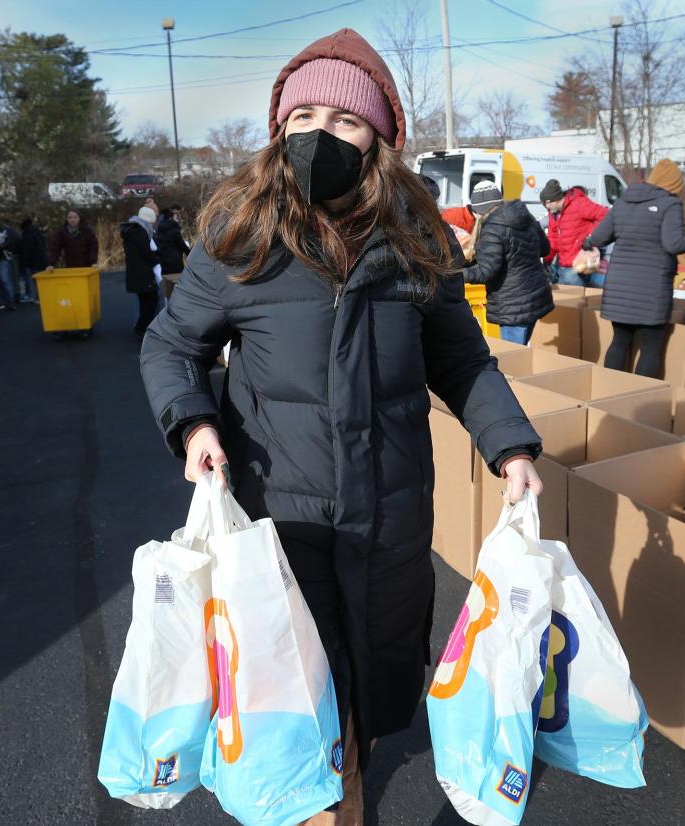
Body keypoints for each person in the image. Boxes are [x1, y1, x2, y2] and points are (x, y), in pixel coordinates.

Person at [139, 28, 543, 826]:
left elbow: (461, 361)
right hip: (278, 518)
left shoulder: (416, 238)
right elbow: (171, 344)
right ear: (279, 127)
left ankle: (346, 786)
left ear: (381, 139)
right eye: (306, 115)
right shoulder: (240, 235)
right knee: (293, 695)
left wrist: (511, 444)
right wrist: (193, 424)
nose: (321, 134)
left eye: (346, 120)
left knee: (364, 684)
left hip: (388, 519)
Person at [584, 159, 685, 378]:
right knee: (650, 350)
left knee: (619, 343)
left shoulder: (623, 202)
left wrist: (586, 243)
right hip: (651, 291)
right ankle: (641, 402)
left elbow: (598, 237)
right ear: (674, 184)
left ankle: (607, 393)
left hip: (619, 290)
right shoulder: (670, 204)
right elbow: (674, 244)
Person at [464, 181, 554, 345]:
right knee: (522, 352)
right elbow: (545, 249)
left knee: (513, 360)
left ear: (480, 209)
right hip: (533, 297)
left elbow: (486, 272)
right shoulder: (524, 216)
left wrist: (457, 274)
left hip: (512, 304)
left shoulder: (492, 227)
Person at [540, 178, 609, 286]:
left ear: (554, 201)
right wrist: (547, 259)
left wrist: (590, 238)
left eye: (545, 204)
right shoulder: (553, 213)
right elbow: (553, 238)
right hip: (563, 264)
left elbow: (605, 215)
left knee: (576, 300)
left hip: (578, 264)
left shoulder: (579, 204)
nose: (545, 207)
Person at [121, 206, 160, 335]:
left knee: (144, 301)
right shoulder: (140, 232)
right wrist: (156, 260)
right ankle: (142, 327)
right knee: (152, 299)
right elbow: (146, 252)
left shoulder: (130, 230)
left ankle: (141, 327)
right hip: (143, 272)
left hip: (135, 272)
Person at [154, 207, 191, 275]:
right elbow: (182, 245)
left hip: (163, 262)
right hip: (175, 262)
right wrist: (191, 254)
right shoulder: (174, 230)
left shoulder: (159, 230)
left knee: (167, 283)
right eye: (175, 216)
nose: (177, 218)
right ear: (170, 218)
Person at [18, 217, 47, 303]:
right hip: (41, 260)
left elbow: (26, 251)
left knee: (33, 280)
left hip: (32, 262)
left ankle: (36, 297)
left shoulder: (27, 235)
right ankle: (41, 297)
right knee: (40, 281)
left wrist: (23, 264)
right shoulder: (38, 233)